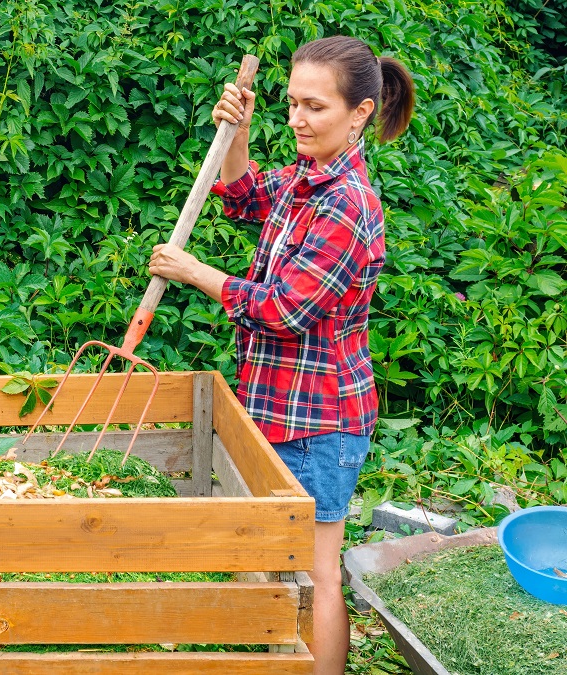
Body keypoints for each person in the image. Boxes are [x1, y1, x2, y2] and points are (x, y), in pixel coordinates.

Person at [148, 36, 415, 674]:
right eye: (292, 104)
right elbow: (241, 196)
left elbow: (284, 311)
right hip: (274, 404)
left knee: (318, 573)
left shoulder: (347, 205)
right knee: (270, 559)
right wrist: (235, 134)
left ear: (359, 115)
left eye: (315, 108)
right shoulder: (303, 179)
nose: (297, 119)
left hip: (321, 422)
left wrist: (196, 273)